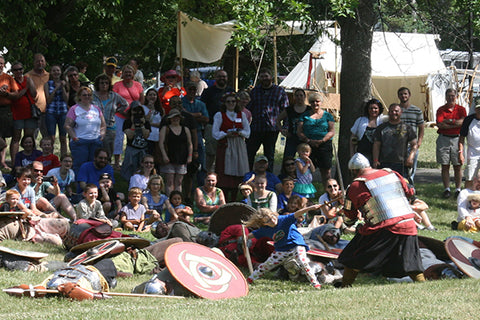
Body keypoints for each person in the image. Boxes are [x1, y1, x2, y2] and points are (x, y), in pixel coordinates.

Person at [337, 153, 425, 287]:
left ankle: (345, 285)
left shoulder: (355, 186)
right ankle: (422, 284)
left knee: (353, 255)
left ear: (354, 171)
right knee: (410, 261)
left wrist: (348, 217)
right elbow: (409, 192)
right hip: (408, 224)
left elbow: (349, 217)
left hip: (385, 227)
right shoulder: (392, 173)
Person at [245, 204, 323, 289]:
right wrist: (245, 238)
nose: (272, 220)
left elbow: (297, 213)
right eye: (268, 221)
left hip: (296, 244)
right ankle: (250, 279)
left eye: (272, 217)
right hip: (281, 249)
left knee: (302, 261)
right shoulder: (264, 230)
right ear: (263, 223)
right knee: (267, 265)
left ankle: (315, 283)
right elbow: (250, 235)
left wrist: (311, 207)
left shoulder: (284, 219)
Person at [247, 68, 289, 172]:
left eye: (266, 76)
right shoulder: (255, 91)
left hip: (272, 129)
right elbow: (248, 109)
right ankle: (247, 175)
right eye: (262, 76)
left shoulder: (279, 91)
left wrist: (285, 126)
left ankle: (268, 177)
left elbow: (286, 111)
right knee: (249, 153)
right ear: (259, 78)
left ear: (271, 77)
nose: (264, 78)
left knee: (269, 155)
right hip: (256, 128)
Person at [212, 92, 250, 202]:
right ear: (224, 103)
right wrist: (225, 134)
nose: (231, 104)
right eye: (228, 101)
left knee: (238, 170)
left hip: (238, 145)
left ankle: (235, 197)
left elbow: (247, 131)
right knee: (224, 170)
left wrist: (240, 133)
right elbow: (215, 133)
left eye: (233, 101)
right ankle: (223, 199)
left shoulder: (241, 115)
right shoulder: (220, 115)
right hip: (226, 145)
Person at [64, 86, 106, 175]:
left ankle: (92, 185)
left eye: (89, 95)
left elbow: (103, 125)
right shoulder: (74, 109)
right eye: (84, 95)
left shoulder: (96, 109)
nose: (87, 97)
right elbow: (67, 125)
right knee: (80, 165)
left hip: (95, 141)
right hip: (80, 142)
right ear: (79, 96)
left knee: (94, 165)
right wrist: (74, 138)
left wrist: (101, 136)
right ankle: (79, 185)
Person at [297, 93, 335, 186]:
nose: (315, 103)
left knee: (326, 169)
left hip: (324, 145)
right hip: (307, 146)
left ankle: (327, 190)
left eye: (317, 101)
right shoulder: (304, 116)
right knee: (307, 167)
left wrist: (322, 140)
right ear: (310, 103)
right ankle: (306, 189)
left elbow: (332, 131)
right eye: (312, 102)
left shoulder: (328, 115)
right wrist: (308, 140)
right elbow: (299, 131)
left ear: (321, 102)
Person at [372, 103, 417, 180]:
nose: (394, 113)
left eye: (396, 111)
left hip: (401, 164)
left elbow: (414, 145)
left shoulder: (407, 127)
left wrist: (410, 158)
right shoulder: (381, 128)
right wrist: (375, 160)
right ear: (388, 112)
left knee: (402, 186)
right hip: (384, 163)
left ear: (401, 112)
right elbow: (376, 145)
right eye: (391, 111)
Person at [112, 64, 145, 170]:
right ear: (122, 74)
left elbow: (141, 99)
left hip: (134, 116)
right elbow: (114, 100)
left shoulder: (138, 85)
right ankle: (117, 161)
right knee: (119, 138)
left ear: (133, 74)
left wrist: (138, 112)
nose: (127, 74)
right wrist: (122, 111)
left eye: (130, 72)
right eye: (125, 72)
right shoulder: (117, 85)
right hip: (120, 114)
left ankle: (136, 160)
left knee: (136, 136)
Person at [200, 69, 234, 172]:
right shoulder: (208, 91)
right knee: (210, 153)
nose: (222, 78)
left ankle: (223, 175)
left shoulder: (231, 91)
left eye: (224, 76)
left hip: (228, 126)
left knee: (227, 153)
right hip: (212, 125)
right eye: (219, 76)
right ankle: (208, 175)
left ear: (227, 78)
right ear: (215, 78)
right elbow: (203, 108)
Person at [436, 88, 466, 199]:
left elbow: (463, 122)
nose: (451, 98)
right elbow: (440, 124)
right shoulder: (441, 110)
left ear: (456, 97)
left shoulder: (461, 109)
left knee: (458, 165)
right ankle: (447, 189)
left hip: (457, 139)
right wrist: (456, 123)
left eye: (453, 95)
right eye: (448, 95)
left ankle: (458, 189)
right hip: (443, 139)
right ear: (445, 97)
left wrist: (449, 121)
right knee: (445, 165)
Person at [92, 74, 128, 161]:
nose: (104, 85)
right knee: (95, 151)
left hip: (110, 126)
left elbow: (125, 103)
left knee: (108, 151)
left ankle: (106, 170)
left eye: (106, 83)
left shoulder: (114, 96)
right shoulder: (92, 95)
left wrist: (117, 110)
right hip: (95, 127)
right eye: (101, 83)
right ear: (98, 84)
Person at [158, 108, 192, 195]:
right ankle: (169, 200)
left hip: (182, 158)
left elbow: (189, 143)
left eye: (177, 117)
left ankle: (177, 201)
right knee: (169, 182)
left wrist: (190, 156)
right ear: (169, 118)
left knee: (179, 182)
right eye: (173, 117)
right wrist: (164, 155)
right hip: (169, 157)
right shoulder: (165, 129)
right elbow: (161, 143)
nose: (175, 119)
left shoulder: (185, 129)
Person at [10, 61, 36, 168]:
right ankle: (14, 163)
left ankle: (30, 160)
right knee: (16, 137)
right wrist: (26, 88)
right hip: (17, 113)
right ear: (13, 71)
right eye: (16, 70)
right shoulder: (11, 81)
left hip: (30, 113)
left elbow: (34, 94)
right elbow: (15, 96)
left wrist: (30, 85)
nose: (18, 72)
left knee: (29, 137)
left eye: (20, 69)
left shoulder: (28, 79)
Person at [276, 88, 312, 160]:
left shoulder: (309, 109)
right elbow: (277, 120)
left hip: (305, 138)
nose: (299, 97)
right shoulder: (289, 109)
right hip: (292, 137)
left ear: (305, 97)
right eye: (297, 95)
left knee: (305, 160)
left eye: (301, 95)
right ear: (294, 97)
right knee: (288, 159)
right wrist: (282, 130)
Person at [398, 87, 424, 184]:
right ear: (398, 96)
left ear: (409, 95)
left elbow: (421, 127)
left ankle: (411, 186)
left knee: (411, 167)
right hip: (398, 144)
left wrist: (419, 142)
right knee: (399, 166)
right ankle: (402, 185)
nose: (403, 96)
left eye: (405, 94)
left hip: (412, 144)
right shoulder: (396, 110)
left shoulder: (416, 110)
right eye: (401, 94)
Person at [182, 81, 209, 176]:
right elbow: (181, 116)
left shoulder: (201, 104)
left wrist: (188, 114)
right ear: (186, 90)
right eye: (190, 89)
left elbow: (206, 119)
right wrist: (197, 115)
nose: (192, 91)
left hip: (197, 133)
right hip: (183, 133)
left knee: (201, 160)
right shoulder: (181, 102)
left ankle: (201, 183)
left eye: (194, 89)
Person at [121, 102, 151, 182]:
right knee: (130, 169)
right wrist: (133, 124)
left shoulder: (146, 122)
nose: (137, 113)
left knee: (142, 169)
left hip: (143, 150)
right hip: (131, 149)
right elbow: (130, 136)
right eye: (135, 110)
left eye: (139, 110)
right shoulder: (127, 122)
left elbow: (146, 135)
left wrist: (142, 125)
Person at [350, 98, 385, 163]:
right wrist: (352, 154)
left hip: (379, 156)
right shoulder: (360, 120)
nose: (373, 110)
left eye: (375, 108)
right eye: (371, 108)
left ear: (379, 109)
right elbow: (353, 138)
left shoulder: (383, 121)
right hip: (362, 155)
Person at [44, 64, 69, 156]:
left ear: (61, 72)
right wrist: (55, 89)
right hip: (51, 112)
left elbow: (66, 99)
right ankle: (50, 157)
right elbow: (48, 100)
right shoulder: (47, 84)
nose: (56, 72)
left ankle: (63, 157)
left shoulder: (65, 83)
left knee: (63, 137)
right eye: (54, 70)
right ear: (51, 72)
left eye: (58, 70)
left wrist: (62, 87)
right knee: (51, 138)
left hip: (63, 112)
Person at [0, 56, 19, 169]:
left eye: (1, 63)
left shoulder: (8, 78)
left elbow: (16, 94)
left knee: (5, 136)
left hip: (6, 110)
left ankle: (3, 162)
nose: (0, 65)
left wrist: (6, 94)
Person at [26, 53, 49, 137]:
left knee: (48, 138)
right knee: (32, 138)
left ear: (45, 62)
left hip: (47, 111)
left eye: (42, 61)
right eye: (37, 61)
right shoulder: (27, 76)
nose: (40, 63)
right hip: (33, 112)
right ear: (33, 63)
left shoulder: (49, 76)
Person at [458, 103, 480, 190]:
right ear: (475, 109)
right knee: (470, 178)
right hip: (473, 154)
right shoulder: (468, 120)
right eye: (478, 109)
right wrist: (461, 153)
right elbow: (461, 138)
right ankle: (467, 198)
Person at [142, 88, 163, 163]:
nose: (152, 96)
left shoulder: (160, 109)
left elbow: (162, 123)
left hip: (157, 137)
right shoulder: (143, 108)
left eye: (154, 95)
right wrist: (150, 110)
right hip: (148, 136)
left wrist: (151, 124)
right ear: (146, 97)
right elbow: (144, 120)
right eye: (150, 95)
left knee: (156, 156)